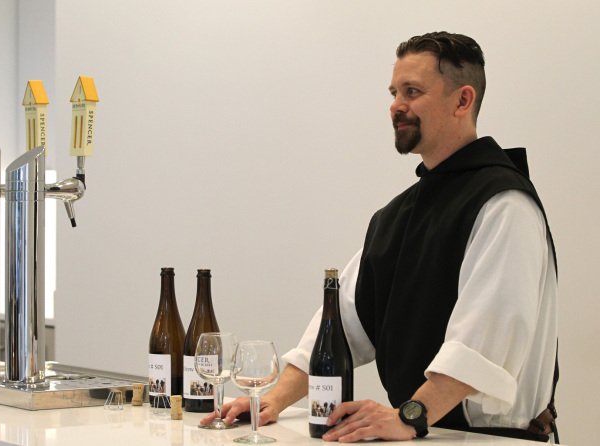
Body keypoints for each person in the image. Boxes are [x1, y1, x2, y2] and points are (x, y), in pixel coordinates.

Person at [202, 31, 558, 442]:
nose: (396, 106)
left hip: (490, 440)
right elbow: (341, 326)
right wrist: (274, 399)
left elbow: (485, 343)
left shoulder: (504, 205)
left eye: (413, 91)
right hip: (422, 433)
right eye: (394, 92)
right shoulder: (396, 216)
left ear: (463, 100)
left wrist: (410, 416)